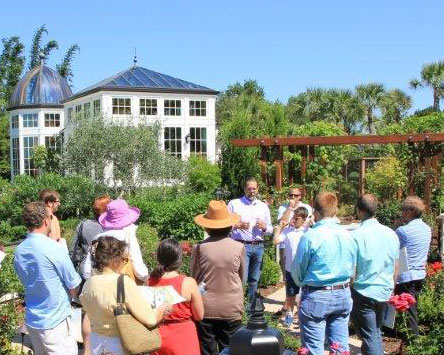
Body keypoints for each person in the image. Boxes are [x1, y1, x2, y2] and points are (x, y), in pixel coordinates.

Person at [80, 236, 171, 355]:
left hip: (96, 342)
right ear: (116, 259)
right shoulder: (122, 282)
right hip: (120, 343)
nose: (124, 263)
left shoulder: (89, 283)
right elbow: (150, 319)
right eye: (124, 259)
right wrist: (162, 309)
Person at [291, 192, 357, 355]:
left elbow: (298, 270)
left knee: (314, 350)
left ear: (315, 211)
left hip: (317, 295)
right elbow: (353, 266)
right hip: (342, 292)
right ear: (335, 211)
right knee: (341, 349)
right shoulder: (348, 235)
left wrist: (302, 284)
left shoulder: (310, 236)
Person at [14, 202, 82, 355]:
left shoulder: (19, 250)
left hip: (33, 320)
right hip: (56, 322)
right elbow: (74, 285)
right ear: (45, 220)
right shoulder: (53, 248)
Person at [192, 200, 245, 355]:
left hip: (205, 307)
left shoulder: (200, 247)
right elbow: (241, 277)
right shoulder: (239, 247)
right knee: (230, 349)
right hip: (231, 306)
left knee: (207, 350)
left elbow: (194, 277)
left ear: (207, 227)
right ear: (229, 225)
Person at [351, 194, 400, 355]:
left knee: (369, 335)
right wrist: (392, 288)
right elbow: (395, 265)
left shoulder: (357, 235)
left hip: (364, 291)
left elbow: (353, 268)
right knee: (375, 332)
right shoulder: (391, 233)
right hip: (384, 290)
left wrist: (350, 284)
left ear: (359, 210)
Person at [69, 195, 111, 355]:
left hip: (88, 272)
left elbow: (72, 250)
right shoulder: (112, 227)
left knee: (88, 311)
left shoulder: (84, 225)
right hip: (109, 271)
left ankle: (87, 349)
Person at [148, 238, 204, 355]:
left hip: (157, 337)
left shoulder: (149, 282)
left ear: (158, 257)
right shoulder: (188, 282)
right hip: (183, 336)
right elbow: (199, 315)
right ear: (179, 259)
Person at [227, 176, 272, 307]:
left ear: (258, 189)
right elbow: (224, 225)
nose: (252, 191)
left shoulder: (263, 207)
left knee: (254, 280)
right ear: (244, 189)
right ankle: (237, 307)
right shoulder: (234, 204)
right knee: (241, 279)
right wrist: (236, 225)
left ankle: (251, 309)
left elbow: (270, 229)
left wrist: (264, 227)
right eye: (249, 188)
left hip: (258, 246)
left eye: (254, 188)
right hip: (240, 245)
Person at [82, 199, 149, 283]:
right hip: (123, 287)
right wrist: (147, 280)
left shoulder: (97, 239)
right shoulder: (129, 235)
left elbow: (87, 272)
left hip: (101, 287)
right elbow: (140, 271)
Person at [394, 196, 431, 336]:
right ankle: (407, 337)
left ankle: (413, 341)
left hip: (406, 276)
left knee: (408, 311)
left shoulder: (403, 231)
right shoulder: (427, 228)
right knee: (412, 308)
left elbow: (392, 248)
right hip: (419, 274)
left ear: (410, 211)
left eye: (403, 210)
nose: (401, 213)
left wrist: (395, 227)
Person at [274, 186, 313, 318]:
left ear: (300, 196)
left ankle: (300, 314)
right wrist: (290, 208)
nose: (292, 198)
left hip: (302, 263)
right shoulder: (283, 208)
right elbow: (282, 222)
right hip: (287, 247)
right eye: (290, 195)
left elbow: (309, 223)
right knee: (290, 285)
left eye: (295, 195)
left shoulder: (306, 208)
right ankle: (289, 311)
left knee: (302, 291)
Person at [273, 206, 308, 327]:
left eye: (297, 218)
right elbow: (276, 241)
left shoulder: (307, 233)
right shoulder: (288, 232)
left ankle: (302, 316)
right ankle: (289, 314)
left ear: (303, 219)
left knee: (304, 294)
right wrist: (280, 228)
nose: (294, 220)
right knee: (290, 293)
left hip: (303, 270)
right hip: (290, 269)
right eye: (293, 217)